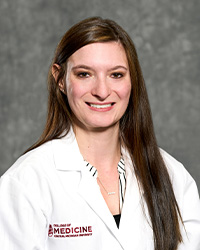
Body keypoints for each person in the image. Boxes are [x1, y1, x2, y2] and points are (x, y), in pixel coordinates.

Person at [0, 17, 199, 250]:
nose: (102, 92)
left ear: (132, 81)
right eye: (85, 74)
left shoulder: (173, 176)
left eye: (116, 75)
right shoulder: (26, 182)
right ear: (60, 80)